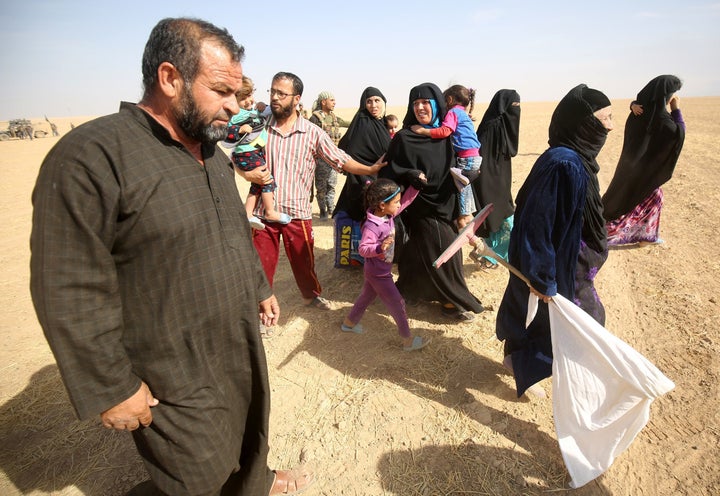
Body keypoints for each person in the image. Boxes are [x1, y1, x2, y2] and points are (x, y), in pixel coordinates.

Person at [29, 18, 313, 496]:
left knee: (248, 420)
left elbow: (231, 232)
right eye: (221, 90)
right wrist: (111, 385)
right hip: (169, 362)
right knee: (193, 469)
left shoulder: (212, 153)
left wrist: (260, 288)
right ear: (169, 78)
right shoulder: (93, 156)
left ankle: (255, 481)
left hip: (233, 339)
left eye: (238, 92)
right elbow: (67, 284)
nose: (235, 105)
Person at [495, 84, 614, 398]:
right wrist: (542, 277)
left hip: (571, 263)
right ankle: (546, 377)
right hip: (561, 267)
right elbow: (537, 225)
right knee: (580, 327)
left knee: (549, 322)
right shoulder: (565, 164)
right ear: (584, 124)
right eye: (605, 119)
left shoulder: (576, 159)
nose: (611, 126)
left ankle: (518, 362)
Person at [239, 72, 387, 314]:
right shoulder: (259, 128)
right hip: (263, 213)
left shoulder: (312, 132)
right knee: (262, 264)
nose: (274, 98)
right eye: (272, 92)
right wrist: (246, 175)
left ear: (296, 99)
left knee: (304, 263)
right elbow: (240, 155)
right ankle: (261, 307)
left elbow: (341, 160)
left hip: (297, 212)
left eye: (281, 94)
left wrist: (369, 169)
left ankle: (311, 296)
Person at [379, 82, 484, 322]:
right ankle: (455, 300)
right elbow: (389, 171)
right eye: (415, 103)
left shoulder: (445, 135)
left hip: (445, 202)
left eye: (426, 102)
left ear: (437, 105)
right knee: (445, 247)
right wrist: (410, 174)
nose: (420, 108)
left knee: (420, 248)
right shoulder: (405, 137)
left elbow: (462, 162)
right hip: (420, 204)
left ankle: (410, 290)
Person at [342, 178, 432, 351]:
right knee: (398, 304)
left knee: (367, 296)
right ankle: (408, 341)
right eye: (395, 202)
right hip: (379, 273)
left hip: (376, 270)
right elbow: (363, 249)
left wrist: (415, 187)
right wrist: (379, 248)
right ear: (382, 205)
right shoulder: (372, 226)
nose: (399, 205)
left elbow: (405, 203)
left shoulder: (386, 215)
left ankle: (349, 323)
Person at [602, 75, 686, 246]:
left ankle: (646, 237)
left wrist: (632, 104)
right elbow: (679, 134)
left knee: (631, 199)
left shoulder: (639, 111)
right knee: (653, 198)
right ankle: (626, 236)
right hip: (642, 173)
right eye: (673, 93)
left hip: (630, 170)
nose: (674, 97)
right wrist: (676, 109)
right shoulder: (661, 118)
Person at [411, 84, 482, 253]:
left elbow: (444, 131)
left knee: (461, 184)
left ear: (448, 100)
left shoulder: (453, 112)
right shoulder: (462, 113)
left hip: (466, 157)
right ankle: (467, 217)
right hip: (474, 156)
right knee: (464, 185)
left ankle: (465, 217)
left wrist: (422, 131)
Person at [223, 75, 291, 229]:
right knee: (267, 180)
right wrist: (238, 129)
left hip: (252, 152)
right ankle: (270, 211)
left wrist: (262, 106)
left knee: (257, 184)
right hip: (246, 153)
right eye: (244, 98)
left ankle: (247, 213)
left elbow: (261, 114)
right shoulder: (234, 114)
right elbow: (225, 130)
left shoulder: (247, 111)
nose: (249, 101)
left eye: (250, 96)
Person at [471, 89, 521, 268]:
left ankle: (487, 255)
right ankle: (489, 257)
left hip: (500, 179)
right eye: (513, 106)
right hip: (490, 181)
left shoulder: (502, 125)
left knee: (500, 218)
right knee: (503, 218)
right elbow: (482, 158)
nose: (516, 110)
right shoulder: (492, 126)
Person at [333, 86, 391, 222]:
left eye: (377, 100)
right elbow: (353, 152)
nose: (373, 105)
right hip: (364, 181)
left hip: (379, 179)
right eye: (369, 101)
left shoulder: (380, 122)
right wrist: (370, 168)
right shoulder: (364, 121)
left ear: (383, 102)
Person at [309, 91, 351, 220]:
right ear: (323, 102)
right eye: (332, 100)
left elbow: (349, 123)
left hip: (333, 158)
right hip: (320, 159)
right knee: (321, 187)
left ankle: (331, 208)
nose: (334, 103)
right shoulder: (315, 119)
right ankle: (322, 210)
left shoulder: (334, 118)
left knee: (332, 185)